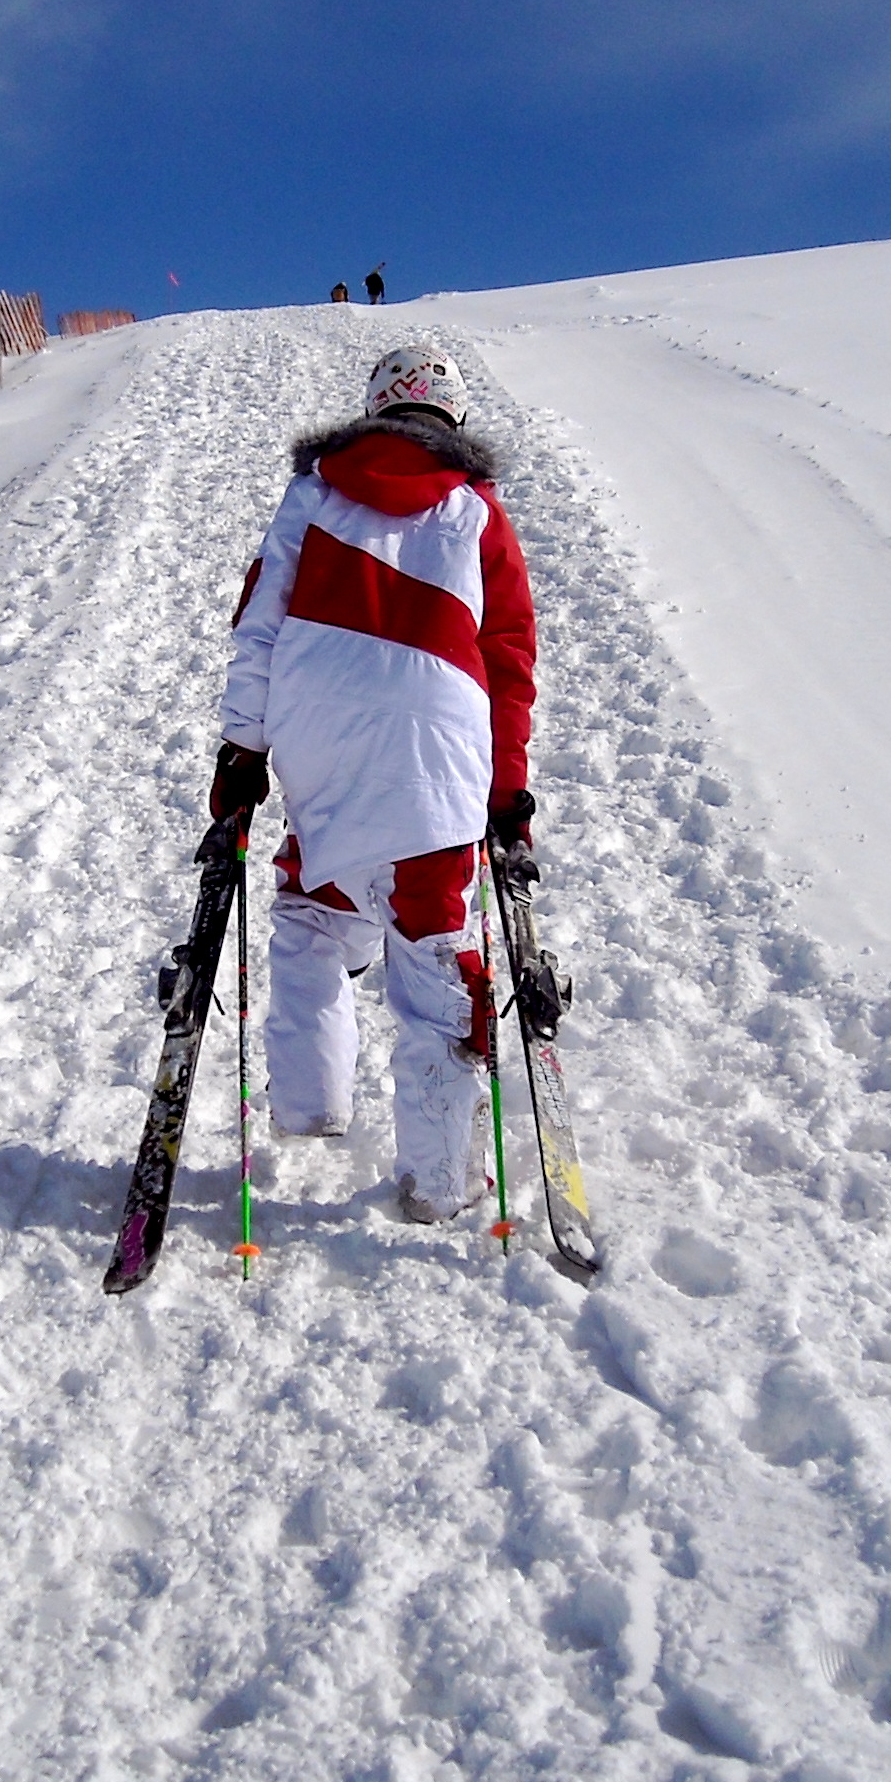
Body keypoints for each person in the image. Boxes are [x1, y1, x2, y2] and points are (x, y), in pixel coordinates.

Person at [211, 345, 537, 1224]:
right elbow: (507, 659)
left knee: (316, 907)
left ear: (375, 411)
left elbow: (261, 624)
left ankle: (310, 1103)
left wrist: (242, 750)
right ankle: (437, 1184)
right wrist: (507, 790)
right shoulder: (476, 513)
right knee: (432, 953)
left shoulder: (314, 494)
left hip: (320, 740)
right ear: (453, 423)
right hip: (433, 754)